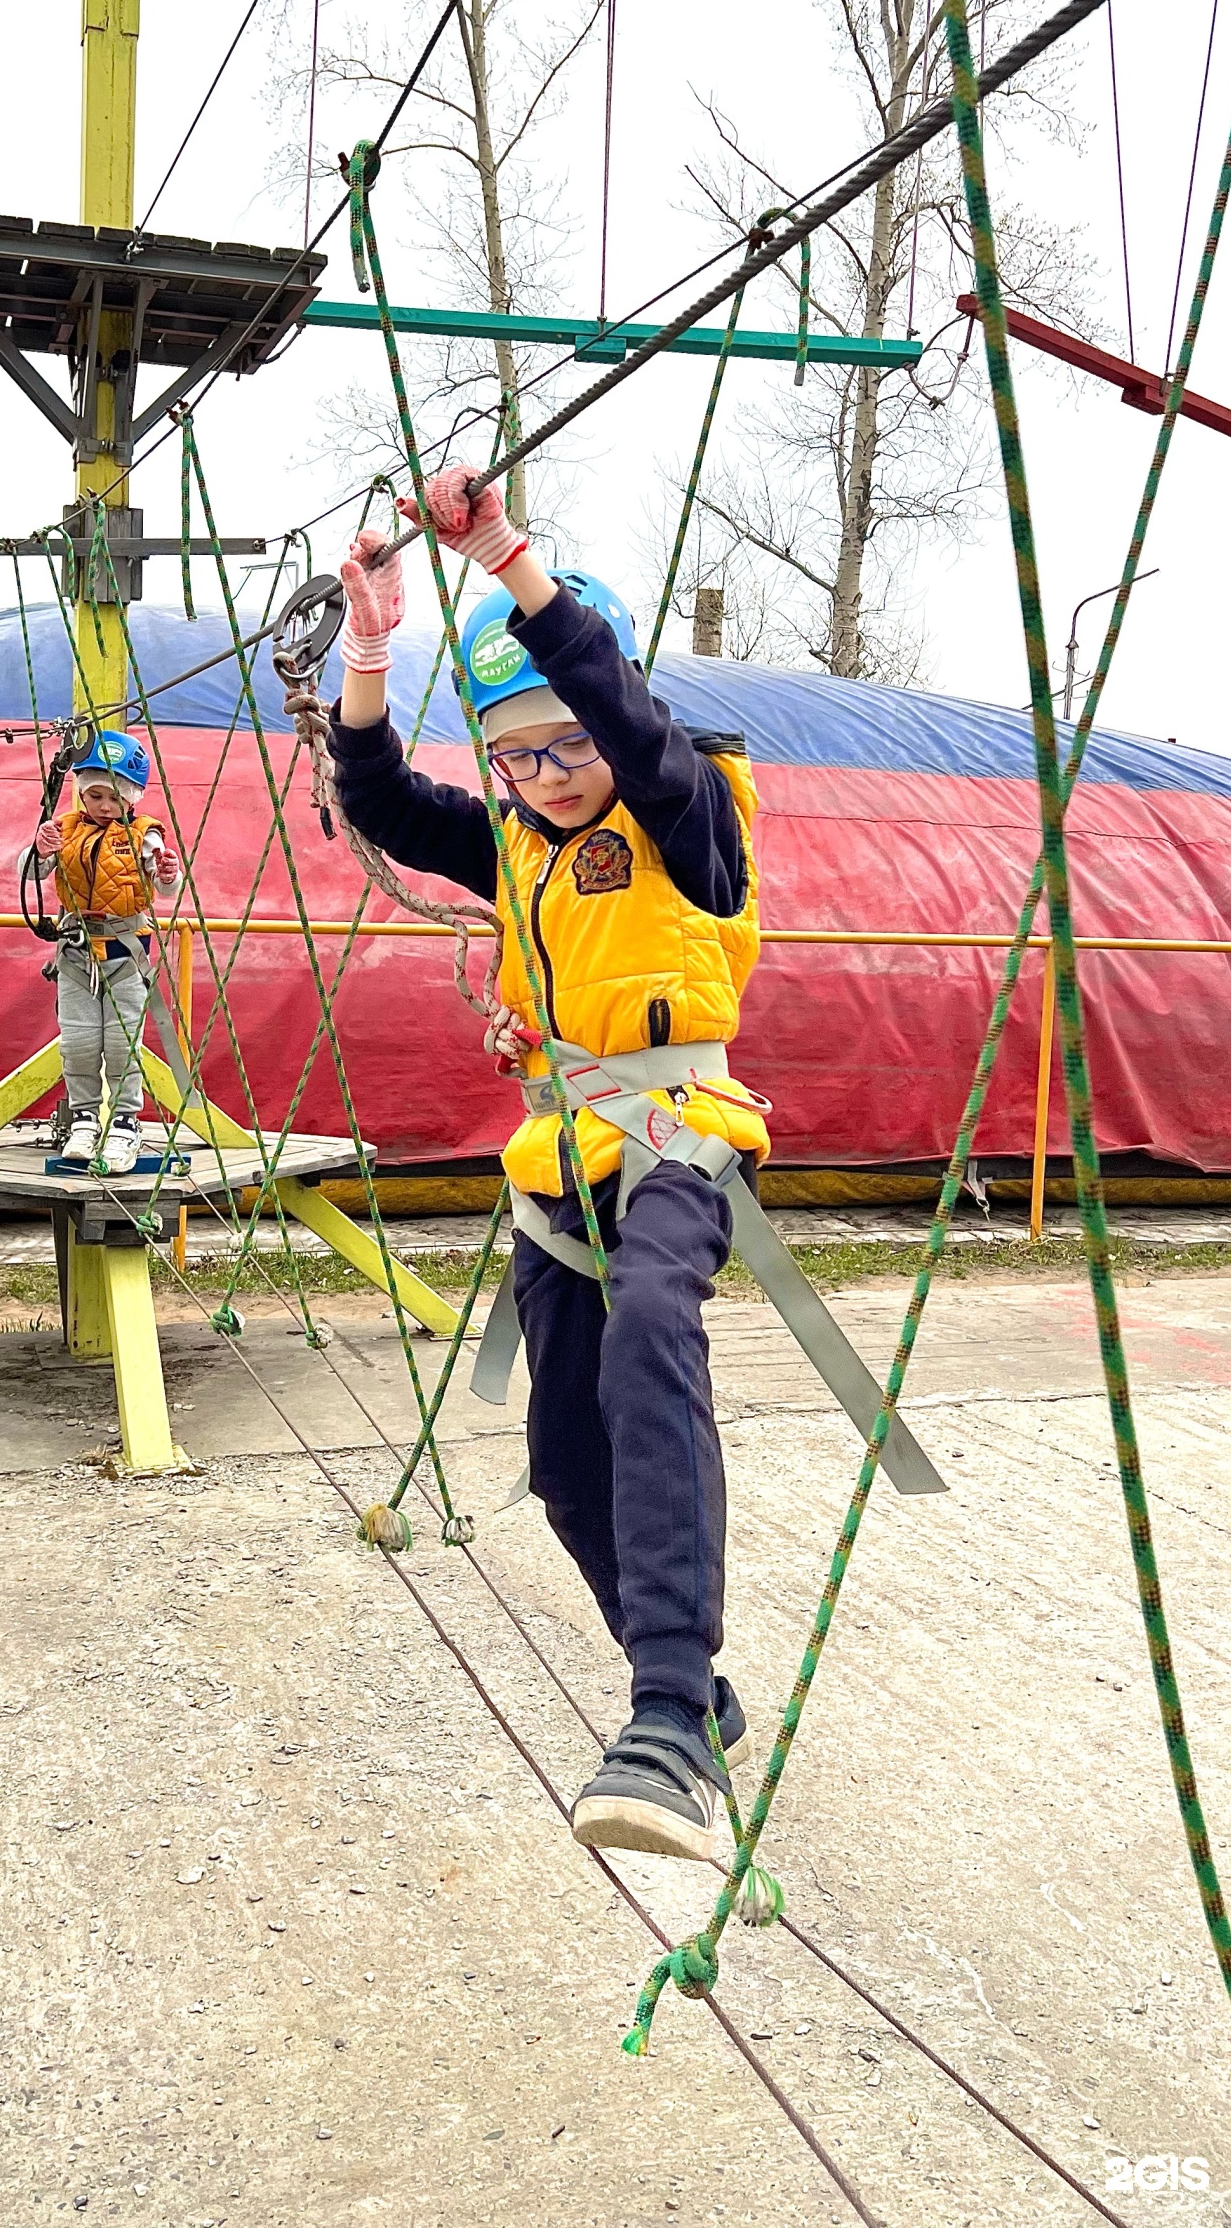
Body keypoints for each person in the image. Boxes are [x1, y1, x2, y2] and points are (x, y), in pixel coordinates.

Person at [326, 466, 771, 1862]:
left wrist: (511, 561)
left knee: (653, 1332)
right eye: (515, 756)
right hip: (556, 1163)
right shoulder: (517, 842)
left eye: (565, 746)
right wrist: (371, 654)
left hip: (678, 1138)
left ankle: (666, 1720)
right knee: (564, 1467)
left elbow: (631, 735)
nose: (546, 774)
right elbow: (389, 803)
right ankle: (684, 1677)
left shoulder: (688, 816)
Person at [23, 730, 180, 1172]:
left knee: (122, 1041)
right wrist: (38, 851)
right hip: (75, 951)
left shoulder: (145, 836)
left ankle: (126, 1123)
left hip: (125, 951)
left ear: (130, 797)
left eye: (113, 797)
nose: (104, 806)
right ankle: (85, 1119)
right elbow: (30, 872)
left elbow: (165, 888)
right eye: (94, 795)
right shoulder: (63, 830)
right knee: (78, 1042)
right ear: (82, 793)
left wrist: (168, 873)